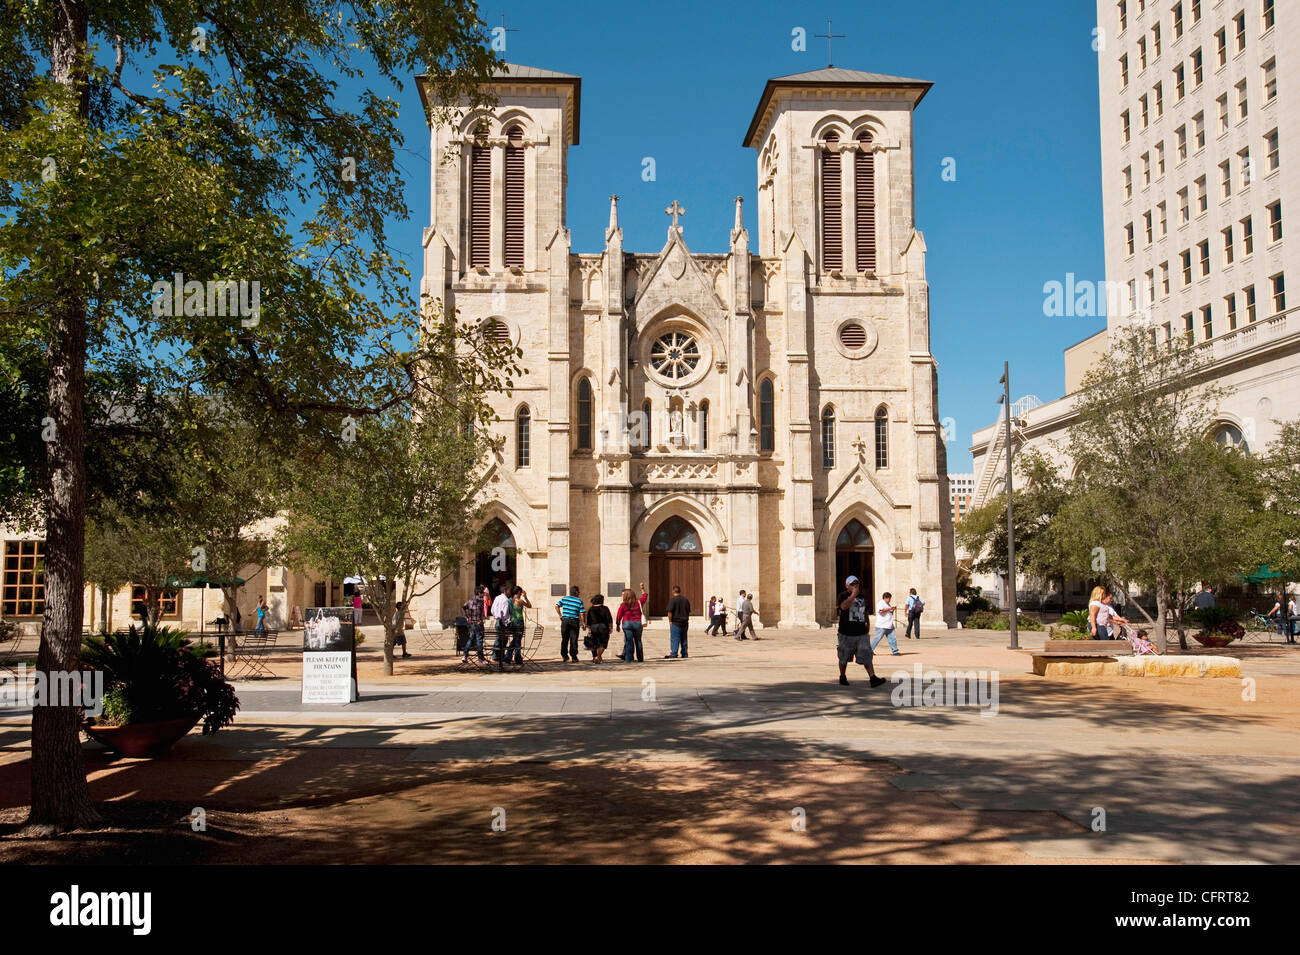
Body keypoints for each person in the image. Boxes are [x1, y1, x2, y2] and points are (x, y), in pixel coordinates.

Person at [836, 575, 887, 687]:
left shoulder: (862, 597)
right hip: (846, 633)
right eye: (853, 584)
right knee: (844, 657)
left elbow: (865, 611)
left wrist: (868, 624)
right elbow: (843, 607)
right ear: (847, 585)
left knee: (867, 655)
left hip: (861, 633)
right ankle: (842, 676)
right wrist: (853, 595)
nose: (855, 586)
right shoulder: (843, 596)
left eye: (857, 584)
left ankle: (873, 678)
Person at [616, 585, 648, 662]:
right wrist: (642, 588)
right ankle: (640, 658)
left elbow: (619, 615)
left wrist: (617, 625)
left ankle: (629, 659)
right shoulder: (639, 602)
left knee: (628, 641)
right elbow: (645, 596)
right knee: (638, 641)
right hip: (637, 623)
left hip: (627, 624)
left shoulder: (623, 605)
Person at [556, 585, 585, 662]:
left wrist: (560, 616)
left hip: (565, 621)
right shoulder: (579, 601)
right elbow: (582, 613)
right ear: (576, 592)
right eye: (578, 592)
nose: (579, 593)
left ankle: (564, 656)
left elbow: (556, 606)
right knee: (574, 639)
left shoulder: (564, 599)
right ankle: (574, 657)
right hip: (574, 621)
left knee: (564, 639)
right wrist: (583, 623)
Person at [461, 585, 488, 662]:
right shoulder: (481, 601)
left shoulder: (470, 601)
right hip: (478, 624)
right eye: (482, 593)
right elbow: (485, 608)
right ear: (479, 593)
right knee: (479, 640)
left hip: (472, 623)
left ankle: (465, 655)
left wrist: (466, 617)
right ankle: (480, 657)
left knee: (471, 639)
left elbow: (463, 608)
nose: (483, 594)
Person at [584, 593, 613, 662]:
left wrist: (589, 629)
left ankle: (595, 657)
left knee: (593, 642)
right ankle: (599, 656)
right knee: (603, 642)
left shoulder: (591, 609)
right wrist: (611, 627)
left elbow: (589, 620)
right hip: (604, 627)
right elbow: (609, 619)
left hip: (594, 627)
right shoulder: (605, 608)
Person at [506, 586, 531, 666]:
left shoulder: (509, 600)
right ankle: (517, 657)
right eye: (521, 592)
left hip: (512, 621)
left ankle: (508, 656)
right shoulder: (519, 601)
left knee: (515, 639)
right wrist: (526, 597)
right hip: (519, 622)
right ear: (518, 592)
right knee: (517, 640)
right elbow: (529, 605)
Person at [664, 585, 691, 659]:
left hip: (676, 622)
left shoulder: (672, 600)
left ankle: (674, 653)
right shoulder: (686, 600)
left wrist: (670, 621)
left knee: (675, 638)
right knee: (684, 638)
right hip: (685, 622)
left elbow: (670, 612)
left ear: (673, 591)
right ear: (680, 591)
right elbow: (688, 611)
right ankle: (684, 653)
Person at [490, 584, 512, 670]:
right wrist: (506, 621)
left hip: (497, 621)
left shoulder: (497, 598)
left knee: (498, 638)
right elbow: (505, 611)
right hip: (503, 622)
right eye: (509, 590)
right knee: (504, 639)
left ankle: (496, 655)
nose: (510, 592)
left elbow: (492, 609)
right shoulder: (506, 600)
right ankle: (500, 655)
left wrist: (496, 615)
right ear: (505, 591)